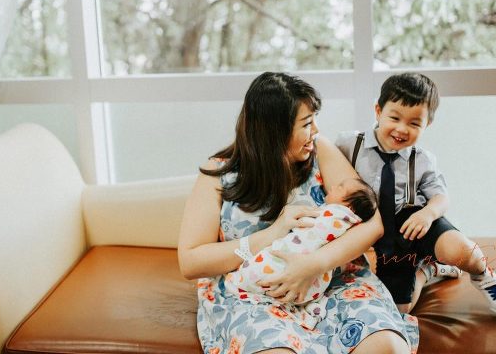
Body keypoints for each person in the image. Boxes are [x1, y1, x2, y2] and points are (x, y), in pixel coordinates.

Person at [178, 72, 418, 354]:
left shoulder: (320, 150)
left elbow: (372, 224)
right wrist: (268, 236)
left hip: (333, 283)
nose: (316, 129)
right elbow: (191, 261)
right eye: (306, 123)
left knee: (386, 347)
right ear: (274, 131)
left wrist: (314, 264)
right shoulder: (219, 174)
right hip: (254, 295)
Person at [336, 72, 496, 318]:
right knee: (399, 310)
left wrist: (427, 214)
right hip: (372, 227)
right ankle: (429, 269)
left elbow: (441, 197)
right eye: (394, 118)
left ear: (427, 124)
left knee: (460, 250)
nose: (402, 129)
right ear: (378, 111)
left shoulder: (422, 159)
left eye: (414, 123)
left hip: (412, 221)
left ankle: (485, 276)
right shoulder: (348, 144)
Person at [224, 179, 378, 330]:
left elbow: (315, 227)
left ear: (348, 206)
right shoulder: (344, 219)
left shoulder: (336, 215)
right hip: (315, 285)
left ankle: (242, 282)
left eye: (340, 187)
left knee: (267, 265)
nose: (334, 186)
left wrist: (302, 217)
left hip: (302, 257)